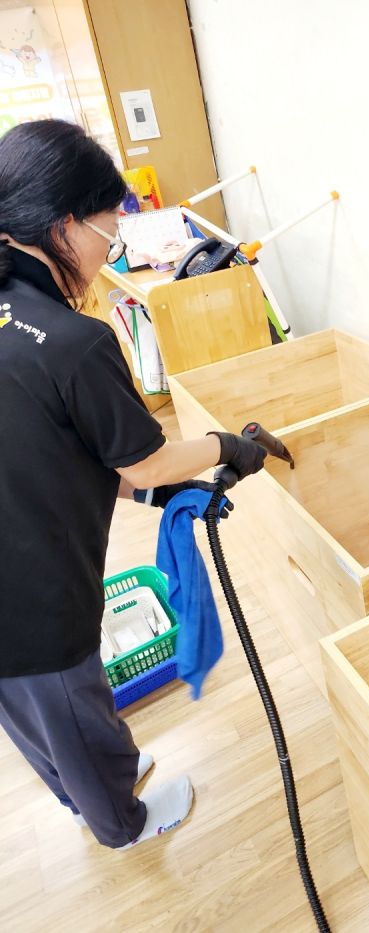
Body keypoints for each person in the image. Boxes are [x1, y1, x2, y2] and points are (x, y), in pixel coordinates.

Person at [0, 120, 267, 849]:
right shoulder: (75, 343)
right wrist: (227, 448)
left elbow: (58, 448)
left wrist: (157, 494)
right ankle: (121, 822)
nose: (109, 252)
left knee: (34, 712)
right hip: (27, 595)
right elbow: (142, 461)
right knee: (69, 702)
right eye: (109, 232)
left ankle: (87, 783)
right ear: (64, 226)